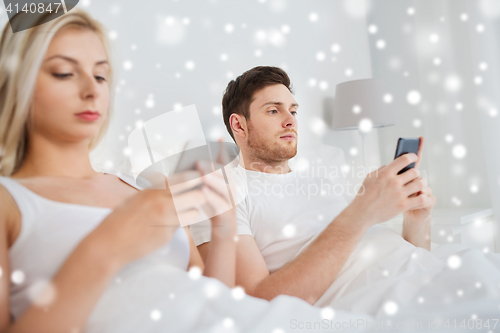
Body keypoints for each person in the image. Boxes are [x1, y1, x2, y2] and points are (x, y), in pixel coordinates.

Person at [0, 11, 355, 333]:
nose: (91, 89)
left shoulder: (139, 189)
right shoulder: (10, 201)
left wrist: (224, 223)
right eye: (64, 72)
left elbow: (211, 295)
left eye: (101, 75)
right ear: (20, 80)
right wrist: (107, 244)